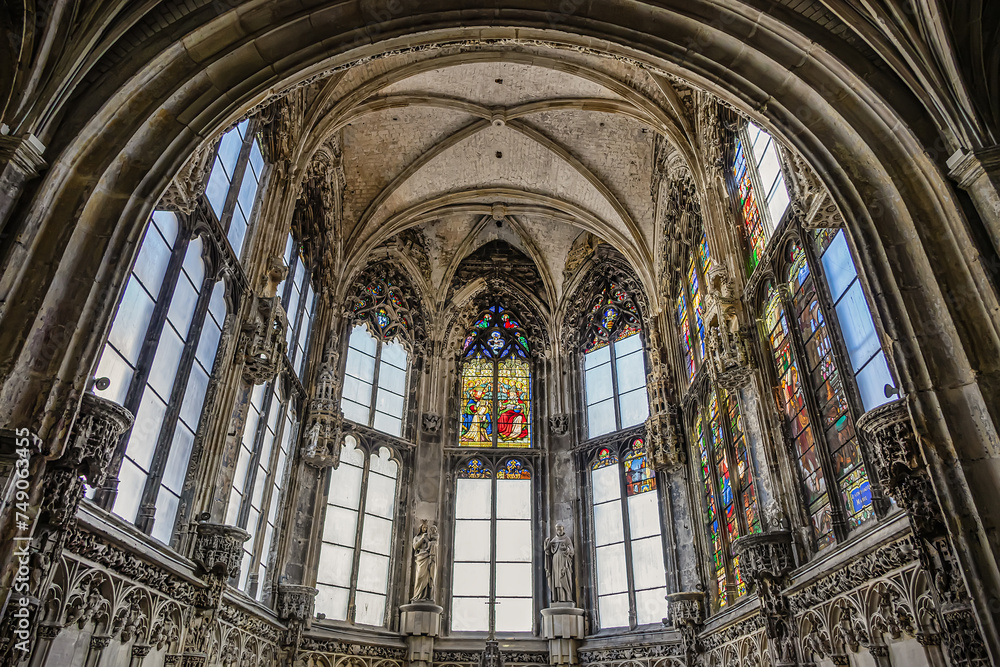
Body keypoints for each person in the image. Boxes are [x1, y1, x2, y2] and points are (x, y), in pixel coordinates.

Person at [544, 523, 575, 603]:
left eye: (560, 529)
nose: (559, 531)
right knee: (557, 580)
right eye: (557, 529)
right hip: (555, 562)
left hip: (564, 562)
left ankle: (567, 597)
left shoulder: (567, 539)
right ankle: (557, 598)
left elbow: (571, 550)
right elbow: (548, 551)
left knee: (565, 577)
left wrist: (567, 549)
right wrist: (546, 545)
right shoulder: (554, 540)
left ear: (563, 529)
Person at [412, 521, 438, 601]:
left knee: (427, 577)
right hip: (420, 558)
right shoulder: (416, 537)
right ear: (420, 528)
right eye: (424, 527)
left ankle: (426, 596)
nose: (425, 529)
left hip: (426, 557)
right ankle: (417, 596)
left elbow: (431, 545)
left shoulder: (428, 537)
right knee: (419, 577)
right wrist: (422, 538)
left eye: (426, 528)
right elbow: (415, 547)